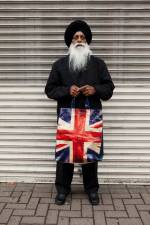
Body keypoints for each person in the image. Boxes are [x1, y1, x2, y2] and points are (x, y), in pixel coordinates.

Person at [45, 20, 115, 205]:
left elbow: (109, 88)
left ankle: (92, 189)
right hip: (67, 117)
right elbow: (50, 90)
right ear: (70, 41)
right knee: (65, 156)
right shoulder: (59, 65)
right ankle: (62, 189)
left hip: (90, 117)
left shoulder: (98, 64)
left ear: (87, 41)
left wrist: (96, 90)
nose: (79, 40)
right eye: (76, 37)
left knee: (90, 155)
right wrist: (67, 91)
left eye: (82, 37)